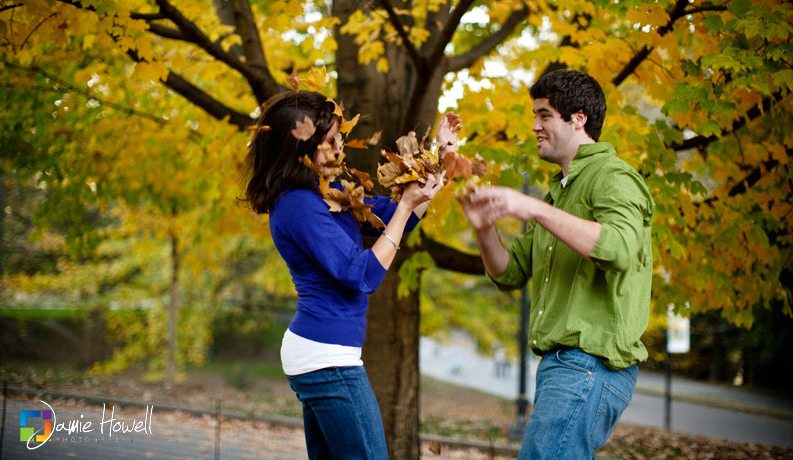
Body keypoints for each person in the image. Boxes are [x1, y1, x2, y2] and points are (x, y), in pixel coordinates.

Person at [242, 90, 460, 459]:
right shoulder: (298, 205)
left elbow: (393, 220)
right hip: (326, 357)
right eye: (328, 142)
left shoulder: (328, 190)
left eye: (339, 138)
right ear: (300, 148)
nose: (339, 149)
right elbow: (361, 275)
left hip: (326, 353)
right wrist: (407, 206)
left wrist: (438, 155)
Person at [458, 69, 654, 459]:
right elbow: (508, 273)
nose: (535, 126)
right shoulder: (556, 197)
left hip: (589, 366)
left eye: (544, 115)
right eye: (535, 115)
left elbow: (619, 248)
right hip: (561, 368)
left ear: (578, 118)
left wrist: (529, 207)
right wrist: (484, 229)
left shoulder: (613, 176)